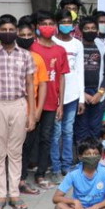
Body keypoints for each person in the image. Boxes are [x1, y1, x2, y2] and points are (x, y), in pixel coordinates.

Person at [0, 14, 36, 209]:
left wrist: (31, 112)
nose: (8, 33)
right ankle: (0, 195)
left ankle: (14, 193)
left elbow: (30, 84)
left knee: (15, 151)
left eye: (11, 29)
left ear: (17, 32)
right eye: (3, 30)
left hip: (19, 105)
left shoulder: (25, 56)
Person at [30, 11, 68, 189]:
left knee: (47, 137)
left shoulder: (60, 50)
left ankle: (41, 173)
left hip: (52, 101)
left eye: (51, 24)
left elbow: (61, 77)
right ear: (37, 27)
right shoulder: (31, 47)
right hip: (32, 101)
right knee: (27, 137)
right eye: (44, 24)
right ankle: (22, 173)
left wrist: (61, 103)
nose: (48, 27)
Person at [13, 17, 48, 198]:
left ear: (34, 37)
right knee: (10, 148)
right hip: (12, 110)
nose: (25, 37)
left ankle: (21, 180)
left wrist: (37, 111)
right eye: (22, 35)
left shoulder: (37, 58)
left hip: (30, 112)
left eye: (28, 35)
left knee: (26, 147)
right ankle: (2, 183)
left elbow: (42, 85)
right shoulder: (9, 55)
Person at [50, 9, 84, 183]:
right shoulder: (52, 42)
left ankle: (67, 166)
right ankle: (55, 167)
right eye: (62, 22)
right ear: (57, 24)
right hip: (55, 94)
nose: (65, 25)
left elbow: (80, 71)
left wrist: (82, 99)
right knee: (55, 133)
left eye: (68, 22)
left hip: (72, 94)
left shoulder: (77, 44)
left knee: (68, 131)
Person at [75, 16, 105, 140]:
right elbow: (72, 73)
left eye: (93, 28)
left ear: (97, 30)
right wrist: (82, 94)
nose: (90, 31)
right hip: (80, 94)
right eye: (87, 28)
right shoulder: (76, 47)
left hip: (97, 93)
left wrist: (100, 93)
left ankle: (94, 156)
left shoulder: (102, 48)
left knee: (95, 128)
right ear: (81, 30)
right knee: (81, 127)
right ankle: (81, 156)